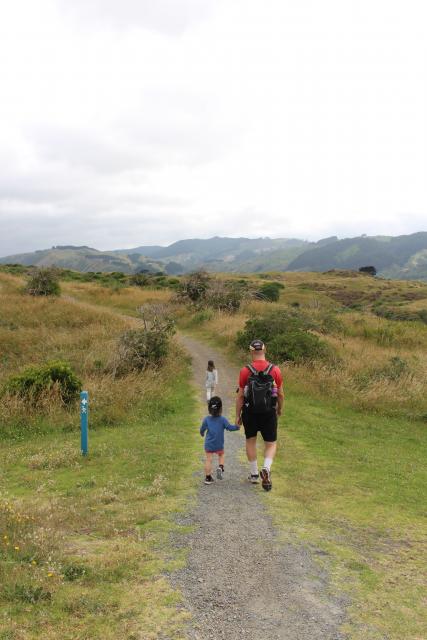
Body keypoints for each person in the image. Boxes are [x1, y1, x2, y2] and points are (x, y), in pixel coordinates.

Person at [235, 339, 284, 491]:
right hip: (269, 412)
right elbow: (281, 394)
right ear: (265, 350)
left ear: (251, 352)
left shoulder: (245, 370)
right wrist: (279, 409)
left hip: (250, 412)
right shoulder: (275, 370)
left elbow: (241, 396)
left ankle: (254, 474)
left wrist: (238, 415)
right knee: (271, 443)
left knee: (251, 441)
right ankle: (267, 468)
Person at [200, 396, 240, 485]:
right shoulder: (223, 420)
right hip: (219, 444)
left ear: (209, 408)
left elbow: (202, 429)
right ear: (221, 409)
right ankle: (220, 467)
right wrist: (237, 427)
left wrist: (202, 433)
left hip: (209, 444)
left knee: (208, 459)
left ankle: (208, 477)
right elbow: (230, 428)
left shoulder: (207, 419)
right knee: (221, 455)